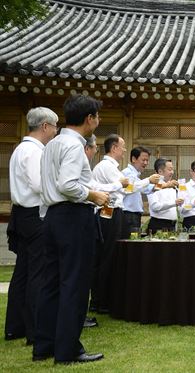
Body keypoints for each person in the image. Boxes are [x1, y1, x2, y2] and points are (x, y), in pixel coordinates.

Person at [34, 94, 109, 364]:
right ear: (89, 119)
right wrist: (93, 195)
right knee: (74, 285)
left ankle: (44, 346)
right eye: (97, 117)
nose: (98, 121)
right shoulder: (75, 146)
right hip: (73, 217)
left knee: (51, 283)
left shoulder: (53, 144)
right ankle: (67, 350)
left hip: (53, 216)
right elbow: (68, 185)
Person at [5, 107, 58, 345]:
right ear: (45, 126)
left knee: (23, 272)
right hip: (34, 215)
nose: (56, 131)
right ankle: (35, 329)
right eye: (55, 126)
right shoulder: (36, 151)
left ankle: (15, 326)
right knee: (38, 272)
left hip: (21, 214)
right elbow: (40, 185)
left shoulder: (20, 148)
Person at [90, 134, 129, 314]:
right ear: (114, 148)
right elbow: (126, 188)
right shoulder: (106, 167)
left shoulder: (111, 167)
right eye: (122, 147)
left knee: (109, 256)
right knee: (107, 256)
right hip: (108, 213)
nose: (124, 151)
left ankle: (103, 298)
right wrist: (147, 183)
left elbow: (127, 187)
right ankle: (101, 300)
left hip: (112, 212)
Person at [121, 147, 161, 238]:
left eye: (147, 160)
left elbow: (146, 189)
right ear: (134, 159)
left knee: (134, 242)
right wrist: (149, 180)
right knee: (129, 243)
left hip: (134, 216)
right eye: (143, 160)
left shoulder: (136, 175)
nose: (146, 163)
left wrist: (166, 185)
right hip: (128, 215)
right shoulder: (127, 173)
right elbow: (130, 188)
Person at [147, 159, 182, 233]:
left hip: (172, 226)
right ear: (160, 171)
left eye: (172, 169)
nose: (172, 172)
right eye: (169, 169)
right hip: (159, 225)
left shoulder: (173, 186)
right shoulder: (153, 185)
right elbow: (155, 207)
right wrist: (174, 203)